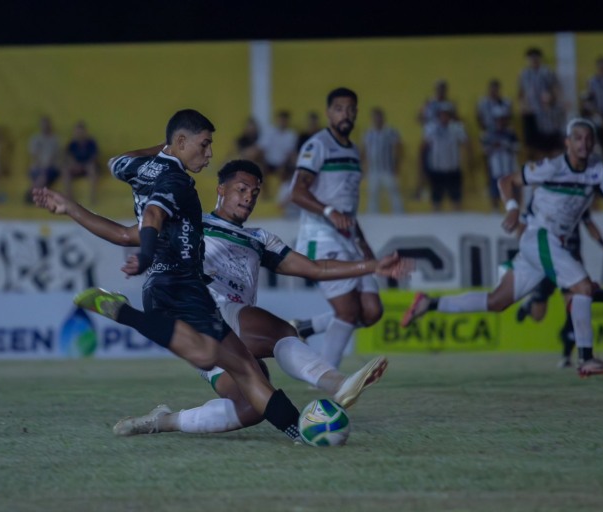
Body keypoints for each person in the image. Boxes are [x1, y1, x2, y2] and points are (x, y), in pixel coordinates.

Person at [33, 159, 410, 436]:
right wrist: (69, 208)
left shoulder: (259, 239)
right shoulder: (192, 223)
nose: (248, 198)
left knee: (251, 408)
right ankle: (335, 383)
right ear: (221, 189)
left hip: (218, 334)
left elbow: (315, 268)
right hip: (205, 310)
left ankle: (161, 422)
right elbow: (122, 233)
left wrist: (371, 266)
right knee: (279, 330)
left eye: (254, 193)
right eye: (241, 189)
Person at [42, 109, 304, 441]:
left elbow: (124, 224)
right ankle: (124, 313)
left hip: (188, 288)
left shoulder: (137, 168)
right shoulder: (176, 182)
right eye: (204, 144)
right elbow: (152, 215)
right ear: (181, 141)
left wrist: (70, 208)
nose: (209, 155)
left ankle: (301, 431)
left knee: (247, 368)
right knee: (210, 355)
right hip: (175, 286)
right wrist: (147, 255)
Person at [401, 118, 603, 378]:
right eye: (577, 138)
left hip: (548, 246)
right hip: (540, 237)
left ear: (594, 142)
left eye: (588, 138)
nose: (583, 143)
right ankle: (586, 358)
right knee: (583, 287)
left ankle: (430, 304)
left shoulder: (598, 170)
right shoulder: (551, 167)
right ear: (567, 142)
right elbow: (506, 180)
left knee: (497, 302)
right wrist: (512, 209)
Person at [289, 87, 385, 369]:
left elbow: (349, 208)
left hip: (349, 239)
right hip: (321, 237)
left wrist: (364, 245)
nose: (346, 114)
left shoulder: (354, 150)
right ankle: (327, 378)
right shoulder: (317, 145)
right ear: (329, 112)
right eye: (340, 108)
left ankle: (306, 327)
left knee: (372, 311)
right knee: (348, 310)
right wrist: (329, 212)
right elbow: (296, 192)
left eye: (351, 109)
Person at [514, 210, 603, 368]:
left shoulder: (578, 197)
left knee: (574, 307)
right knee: (538, 315)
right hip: (547, 261)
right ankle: (531, 303)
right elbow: (522, 225)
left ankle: (567, 356)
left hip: (570, 262)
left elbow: (589, 225)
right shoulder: (542, 199)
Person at [420, 103, 473, 211]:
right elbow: (424, 146)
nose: (444, 117)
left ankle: (457, 221)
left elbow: (466, 142)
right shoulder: (431, 128)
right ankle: (436, 222)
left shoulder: (457, 127)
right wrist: (423, 165)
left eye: (446, 114)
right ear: (438, 115)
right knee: (436, 198)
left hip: (453, 168)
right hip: (436, 168)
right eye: (442, 114)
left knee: (456, 198)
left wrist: (469, 158)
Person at [517, 47, 560, 160]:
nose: (533, 61)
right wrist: (522, 106)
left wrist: (551, 100)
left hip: (546, 113)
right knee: (532, 146)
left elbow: (555, 89)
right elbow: (521, 92)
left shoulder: (547, 72)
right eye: (531, 59)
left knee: (549, 146)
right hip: (531, 113)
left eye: (536, 58)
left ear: (540, 59)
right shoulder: (524, 74)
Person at [361, 107, 404, 214]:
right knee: (373, 195)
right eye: (375, 117)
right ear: (372, 119)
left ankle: (400, 216)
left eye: (379, 117)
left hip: (388, 169)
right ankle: (373, 217)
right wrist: (362, 167)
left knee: (394, 194)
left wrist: (397, 165)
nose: (377, 119)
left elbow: (398, 148)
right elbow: (364, 151)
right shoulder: (368, 133)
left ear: (383, 118)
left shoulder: (391, 132)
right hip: (373, 170)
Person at [480, 108, 519, 211]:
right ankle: (495, 209)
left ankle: (514, 210)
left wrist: (505, 145)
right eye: (498, 119)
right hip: (496, 167)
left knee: (512, 191)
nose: (501, 122)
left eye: (502, 119)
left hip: (509, 167)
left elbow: (517, 147)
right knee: (495, 189)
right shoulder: (489, 134)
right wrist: (493, 146)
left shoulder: (510, 133)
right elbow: (484, 150)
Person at [62, 121, 99, 204]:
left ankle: (93, 197)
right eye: (77, 132)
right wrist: (74, 165)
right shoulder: (72, 144)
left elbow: (94, 157)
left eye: (81, 132)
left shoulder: (91, 143)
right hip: (76, 167)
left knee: (92, 168)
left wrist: (84, 165)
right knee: (65, 170)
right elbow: (67, 156)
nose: (79, 134)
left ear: (85, 132)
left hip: (87, 167)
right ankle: (69, 197)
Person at [26, 116, 61, 203]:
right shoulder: (35, 139)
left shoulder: (55, 140)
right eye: (43, 125)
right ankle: (37, 194)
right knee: (40, 174)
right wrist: (40, 166)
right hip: (37, 168)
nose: (44, 127)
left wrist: (45, 167)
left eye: (46, 125)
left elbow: (54, 157)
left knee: (44, 174)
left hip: (51, 168)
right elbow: (34, 156)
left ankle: (32, 192)